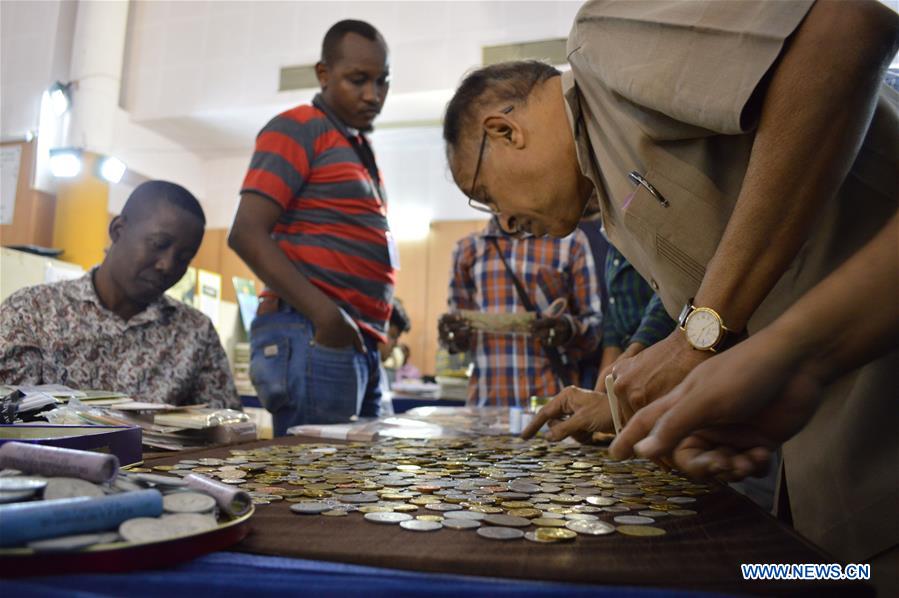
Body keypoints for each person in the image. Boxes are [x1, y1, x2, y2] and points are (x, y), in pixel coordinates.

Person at [442, 0, 898, 580]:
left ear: (504, 131)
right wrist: (624, 402)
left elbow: (845, 29)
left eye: (486, 196)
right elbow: (745, 315)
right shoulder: (612, 200)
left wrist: (697, 336)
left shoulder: (601, 43)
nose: (504, 222)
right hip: (836, 470)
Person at [229, 20, 394, 436]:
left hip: (352, 339)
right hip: (313, 332)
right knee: (317, 473)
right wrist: (326, 316)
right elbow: (246, 233)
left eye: (382, 81)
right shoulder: (299, 126)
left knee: (352, 472)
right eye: (358, 79)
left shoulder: (356, 145)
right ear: (324, 74)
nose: (373, 94)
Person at [0, 181, 240, 410]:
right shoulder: (31, 313)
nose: (167, 265)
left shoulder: (195, 332)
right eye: (158, 244)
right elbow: (7, 417)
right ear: (118, 230)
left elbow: (227, 426)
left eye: (184, 258)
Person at [438, 217, 602, 406]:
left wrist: (568, 329)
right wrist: (452, 337)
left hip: (552, 404)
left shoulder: (570, 241)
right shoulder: (467, 249)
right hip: (486, 405)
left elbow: (595, 326)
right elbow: (457, 334)